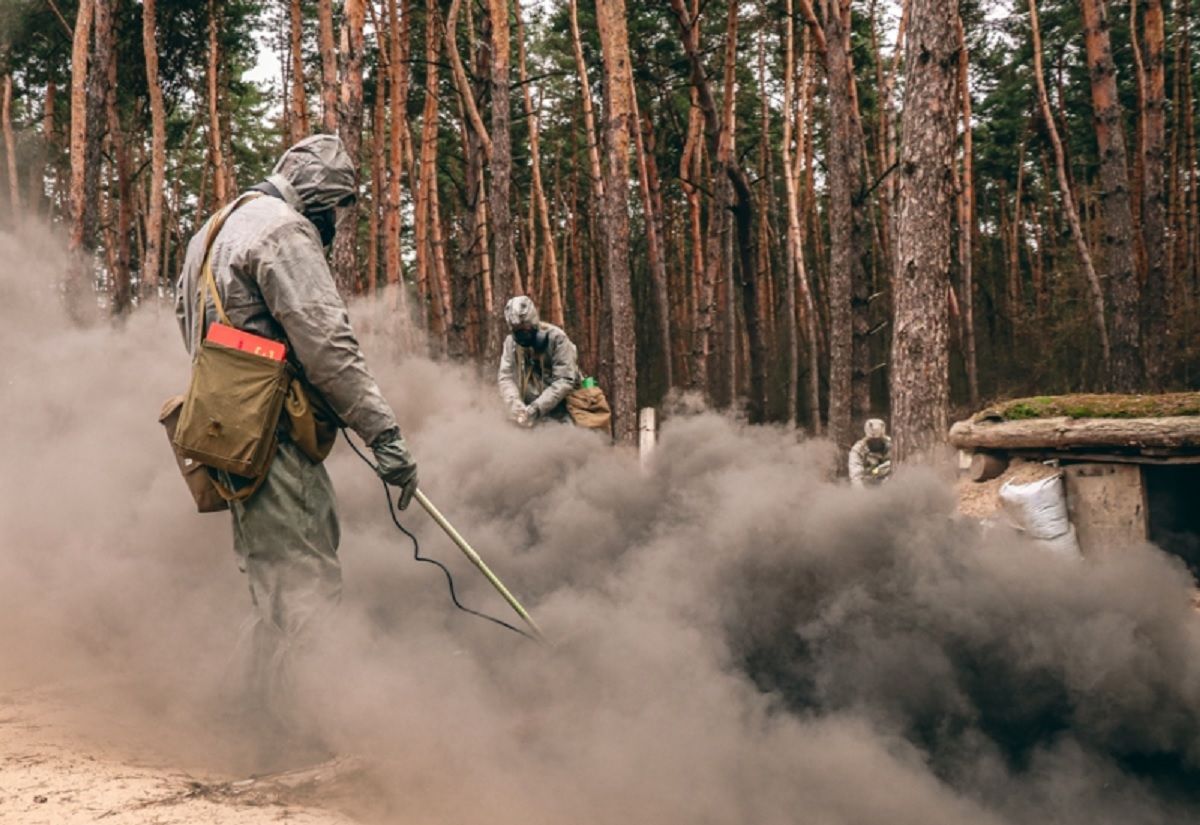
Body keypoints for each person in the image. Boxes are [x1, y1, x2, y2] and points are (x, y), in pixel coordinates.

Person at [174, 134, 418, 748]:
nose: (334, 224)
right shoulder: (283, 231)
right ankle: (315, 739)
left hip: (227, 430)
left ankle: (250, 728)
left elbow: (193, 331)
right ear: (321, 199)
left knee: (272, 589)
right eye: (335, 211)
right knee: (306, 585)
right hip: (274, 435)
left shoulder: (214, 228)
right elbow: (326, 341)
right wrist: (382, 432)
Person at [497, 295, 581, 427]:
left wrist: (536, 408)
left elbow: (565, 380)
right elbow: (506, 377)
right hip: (527, 409)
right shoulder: (510, 343)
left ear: (533, 322)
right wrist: (515, 405)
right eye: (517, 330)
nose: (521, 335)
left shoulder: (557, 339)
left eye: (524, 328)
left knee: (569, 441)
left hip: (563, 408)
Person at [849, 418, 892, 487]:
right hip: (868, 483)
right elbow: (856, 476)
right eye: (872, 440)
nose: (876, 443)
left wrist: (878, 470)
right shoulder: (858, 450)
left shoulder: (893, 446)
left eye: (878, 440)